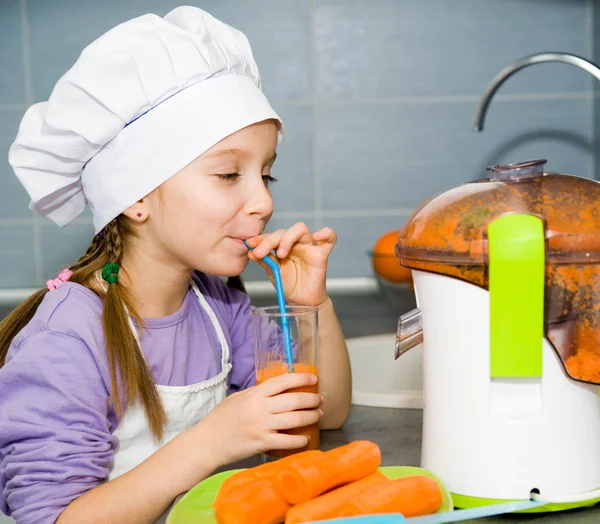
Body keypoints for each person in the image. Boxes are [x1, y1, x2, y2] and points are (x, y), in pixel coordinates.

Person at [0, 6, 351, 523]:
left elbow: (330, 413)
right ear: (135, 196)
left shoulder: (219, 305)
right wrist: (212, 442)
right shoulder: (66, 339)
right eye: (229, 174)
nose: (263, 203)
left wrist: (309, 302)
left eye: (266, 176)